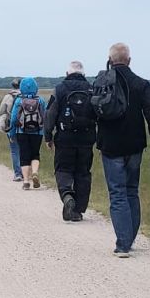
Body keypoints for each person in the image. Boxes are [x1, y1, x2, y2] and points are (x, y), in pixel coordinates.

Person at [94, 43, 150, 258]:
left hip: (110, 146)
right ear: (129, 60)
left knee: (117, 193)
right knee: (131, 190)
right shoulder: (141, 84)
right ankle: (128, 238)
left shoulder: (101, 83)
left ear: (110, 60)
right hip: (134, 145)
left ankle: (123, 244)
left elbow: (93, 110)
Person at [46, 61, 98, 221]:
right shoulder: (92, 89)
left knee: (63, 169)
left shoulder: (59, 89)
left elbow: (50, 114)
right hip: (86, 139)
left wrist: (48, 136)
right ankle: (78, 210)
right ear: (84, 74)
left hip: (64, 138)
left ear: (67, 73)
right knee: (83, 173)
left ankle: (67, 194)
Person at [8, 77, 46, 190]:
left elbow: (14, 119)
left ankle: (25, 181)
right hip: (38, 132)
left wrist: (11, 133)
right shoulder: (41, 100)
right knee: (35, 154)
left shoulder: (19, 101)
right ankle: (34, 172)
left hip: (22, 131)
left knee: (24, 155)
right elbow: (45, 116)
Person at [0, 85, 23, 181]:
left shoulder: (8, 96)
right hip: (25, 127)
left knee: (14, 151)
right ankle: (25, 172)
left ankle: (18, 174)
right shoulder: (25, 96)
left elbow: (1, 110)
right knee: (24, 150)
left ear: (12, 86)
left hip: (11, 126)